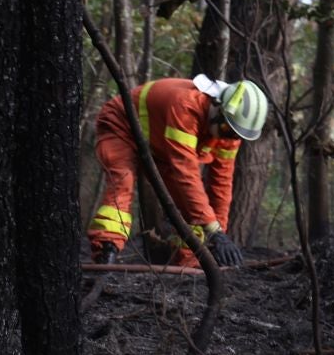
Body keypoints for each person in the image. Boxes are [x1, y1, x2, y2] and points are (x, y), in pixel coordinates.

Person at [87, 74, 267, 268]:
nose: (227, 137)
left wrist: (218, 234)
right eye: (225, 128)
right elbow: (185, 171)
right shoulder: (186, 106)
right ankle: (106, 250)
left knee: (191, 206)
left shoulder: (229, 136)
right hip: (121, 125)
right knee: (122, 182)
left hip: (159, 147)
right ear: (218, 107)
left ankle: (190, 265)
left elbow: (221, 185)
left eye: (233, 134)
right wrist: (214, 231)